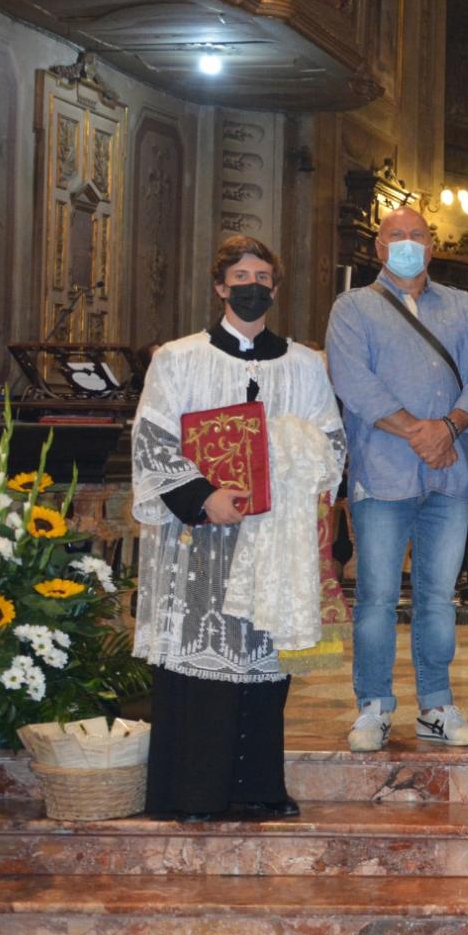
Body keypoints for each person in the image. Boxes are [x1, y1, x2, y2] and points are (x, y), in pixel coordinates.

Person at [130, 237, 345, 822]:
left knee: (262, 662)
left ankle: (256, 787)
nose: (252, 285)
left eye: (263, 276)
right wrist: (204, 497)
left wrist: (287, 450)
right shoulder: (178, 359)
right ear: (220, 286)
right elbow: (152, 440)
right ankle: (191, 793)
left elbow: (331, 443)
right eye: (240, 275)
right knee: (201, 663)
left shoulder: (305, 364)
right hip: (200, 538)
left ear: (275, 287)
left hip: (274, 537)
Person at [325, 205, 468, 753]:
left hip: (448, 474)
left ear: (432, 245)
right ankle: (372, 706)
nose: (407, 243)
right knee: (374, 597)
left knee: (438, 599)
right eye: (395, 235)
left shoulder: (462, 307)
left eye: (417, 235)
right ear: (377, 248)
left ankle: (436, 705)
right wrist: (419, 433)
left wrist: (448, 428)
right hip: (383, 471)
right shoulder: (352, 308)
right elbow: (354, 383)